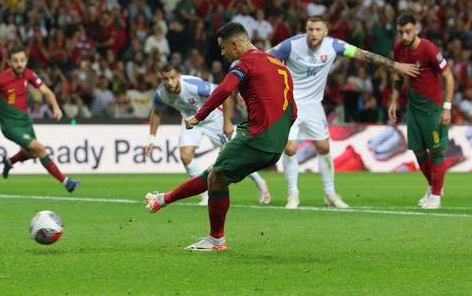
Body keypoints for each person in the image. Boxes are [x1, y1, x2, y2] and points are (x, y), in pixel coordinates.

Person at [144, 23, 295, 251]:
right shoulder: (279, 65)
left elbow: (224, 90)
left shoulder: (243, 63)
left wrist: (198, 116)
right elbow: (292, 110)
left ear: (235, 45)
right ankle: (162, 200)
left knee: (215, 178)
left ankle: (216, 239)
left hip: (256, 136)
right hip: (275, 142)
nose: (223, 53)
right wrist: (279, 134)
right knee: (216, 175)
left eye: (223, 48)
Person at [270, 16, 419, 209]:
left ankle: (330, 193)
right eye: (310, 29)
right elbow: (263, 59)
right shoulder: (290, 46)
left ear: (325, 32)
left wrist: (395, 65)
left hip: (314, 106)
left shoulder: (334, 46)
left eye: (317, 30)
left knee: (323, 148)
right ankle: (293, 195)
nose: (313, 34)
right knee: (290, 148)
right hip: (289, 104)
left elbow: (364, 55)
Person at [145, 63, 271, 206]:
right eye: (166, 79)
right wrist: (151, 140)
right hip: (190, 121)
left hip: (212, 118)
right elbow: (156, 113)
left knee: (236, 155)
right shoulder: (160, 94)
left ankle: (261, 184)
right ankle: (205, 194)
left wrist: (227, 122)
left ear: (179, 75)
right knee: (185, 156)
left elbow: (224, 94)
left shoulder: (194, 85)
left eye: (172, 78)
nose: (170, 82)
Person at [0, 46, 80, 193]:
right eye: (16, 61)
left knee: (32, 153)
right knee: (39, 148)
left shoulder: (28, 74)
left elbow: (46, 91)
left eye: (22, 60)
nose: (19, 64)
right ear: (9, 63)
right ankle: (67, 182)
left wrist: (56, 107)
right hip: (11, 126)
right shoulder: (1, 79)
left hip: (25, 121)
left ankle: (9, 161)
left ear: (26, 61)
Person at [388, 14, 455, 209]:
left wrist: (447, 107)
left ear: (417, 29)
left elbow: (449, 78)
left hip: (432, 109)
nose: (405, 37)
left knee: (436, 152)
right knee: (418, 152)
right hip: (413, 108)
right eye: (401, 33)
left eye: (408, 32)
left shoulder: (429, 49)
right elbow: (399, 76)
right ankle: (433, 187)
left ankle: (436, 196)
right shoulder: (399, 49)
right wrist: (393, 101)